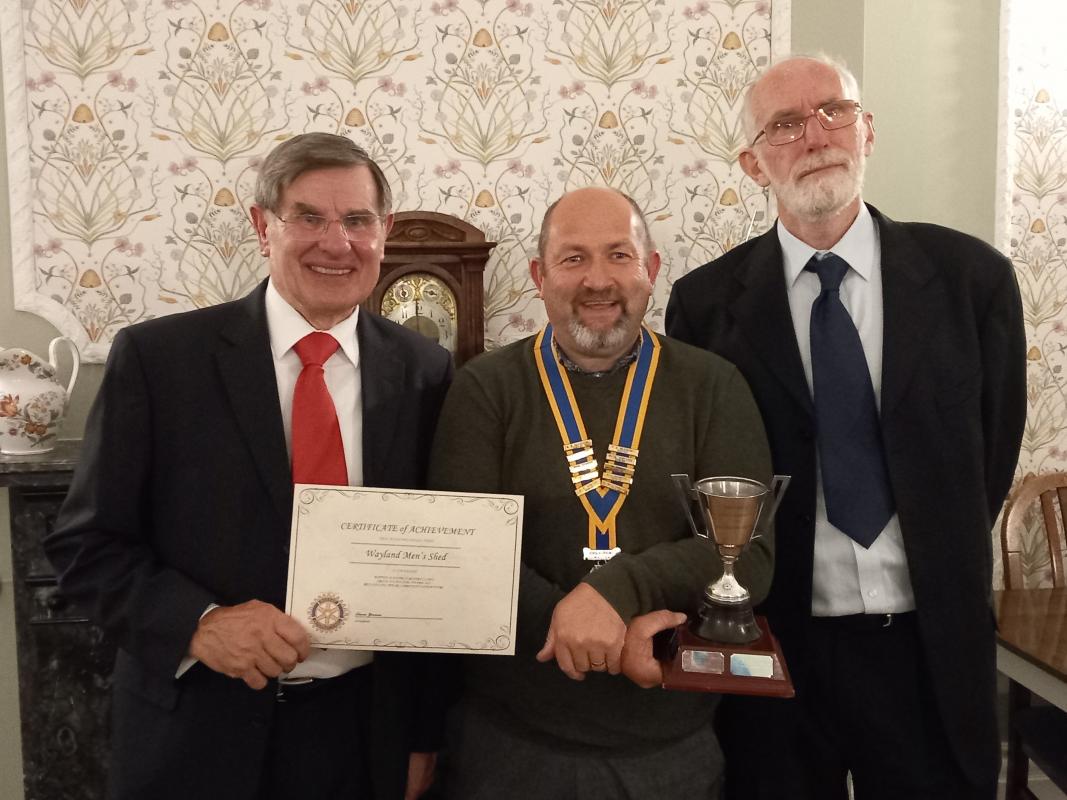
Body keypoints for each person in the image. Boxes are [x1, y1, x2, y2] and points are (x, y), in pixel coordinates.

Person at [43, 133, 453, 800]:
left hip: (362, 737)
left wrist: (422, 735)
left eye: (357, 220)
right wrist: (200, 625)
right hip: (197, 737)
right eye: (308, 217)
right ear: (263, 227)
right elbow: (85, 547)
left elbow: (435, 570)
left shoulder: (425, 371)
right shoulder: (160, 360)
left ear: (385, 233)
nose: (335, 241)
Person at [666, 54, 1026, 800]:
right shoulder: (704, 306)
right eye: (785, 124)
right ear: (752, 161)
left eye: (833, 111)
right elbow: (708, 481)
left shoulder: (971, 280)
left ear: (867, 130)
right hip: (778, 648)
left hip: (929, 647)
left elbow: (987, 456)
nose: (816, 135)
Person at [428, 186, 773, 799]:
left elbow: (750, 556)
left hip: (670, 746)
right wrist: (587, 628)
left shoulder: (713, 385)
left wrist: (620, 593)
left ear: (652, 270)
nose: (597, 280)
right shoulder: (484, 389)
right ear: (539, 275)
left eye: (619, 255)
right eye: (572, 258)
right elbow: (463, 558)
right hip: (511, 745)